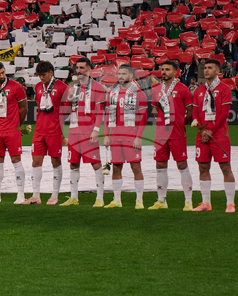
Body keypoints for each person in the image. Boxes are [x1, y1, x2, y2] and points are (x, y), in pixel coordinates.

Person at [60, 57, 107, 207]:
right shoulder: (73, 87)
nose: (78, 71)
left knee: (96, 164)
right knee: (73, 164)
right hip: (74, 132)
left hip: (89, 132)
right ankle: (74, 197)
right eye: (77, 68)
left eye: (81, 68)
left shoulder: (97, 87)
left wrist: (96, 130)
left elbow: (100, 112)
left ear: (89, 69)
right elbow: (67, 110)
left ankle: (100, 197)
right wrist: (69, 97)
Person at [191, 57, 235, 212]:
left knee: (225, 166)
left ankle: (230, 203)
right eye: (205, 68)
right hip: (202, 134)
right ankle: (206, 203)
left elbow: (224, 114)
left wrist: (211, 130)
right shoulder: (198, 90)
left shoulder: (224, 89)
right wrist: (203, 131)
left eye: (210, 68)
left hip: (219, 133)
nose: (206, 70)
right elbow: (195, 113)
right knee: (203, 167)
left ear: (218, 71)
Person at [150, 59, 194, 210]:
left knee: (182, 165)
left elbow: (190, 113)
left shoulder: (183, 89)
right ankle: (161, 200)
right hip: (161, 135)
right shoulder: (156, 90)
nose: (164, 72)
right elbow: (154, 110)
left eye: (167, 70)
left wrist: (181, 124)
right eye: (162, 70)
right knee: (160, 165)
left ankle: (188, 200)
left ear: (175, 72)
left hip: (177, 133)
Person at [102, 64, 148, 209]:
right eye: (119, 74)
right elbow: (108, 115)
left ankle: (139, 200)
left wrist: (138, 137)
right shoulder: (112, 93)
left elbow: (143, 118)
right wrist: (106, 135)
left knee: (136, 167)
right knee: (116, 167)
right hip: (115, 136)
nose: (120, 76)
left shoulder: (139, 93)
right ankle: (117, 200)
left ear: (130, 76)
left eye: (123, 74)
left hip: (131, 136)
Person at [0, 61, 28, 204]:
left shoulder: (16, 87)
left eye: (3, 72)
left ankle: (20, 194)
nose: (2, 76)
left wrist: (17, 125)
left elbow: (24, 108)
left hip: (12, 131)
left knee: (16, 161)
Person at [28, 61, 67, 204]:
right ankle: (36, 195)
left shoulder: (63, 88)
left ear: (51, 73)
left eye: (43, 75)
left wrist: (62, 128)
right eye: (39, 75)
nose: (41, 78)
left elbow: (68, 110)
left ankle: (55, 195)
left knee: (55, 161)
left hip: (55, 131)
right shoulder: (38, 87)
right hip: (39, 130)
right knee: (35, 162)